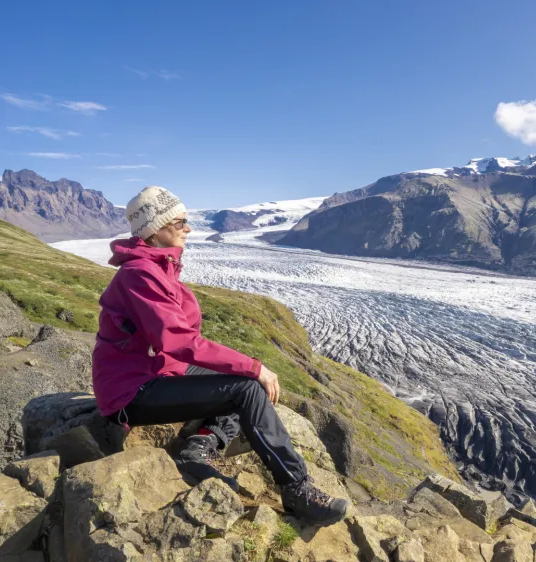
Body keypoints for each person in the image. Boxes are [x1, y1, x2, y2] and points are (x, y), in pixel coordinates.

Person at [92, 185, 349, 527]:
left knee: (242, 381)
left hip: (159, 372)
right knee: (246, 387)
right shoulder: (141, 274)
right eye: (180, 221)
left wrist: (248, 369)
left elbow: (181, 343)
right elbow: (179, 341)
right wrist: (256, 367)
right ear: (155, 229)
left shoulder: (160, 267)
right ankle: (297, 490)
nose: (188, 228)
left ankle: (201, 444)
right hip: (131, 393)